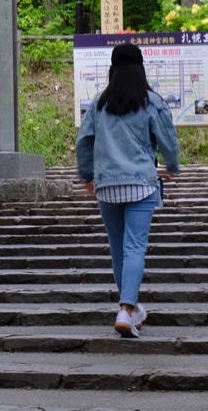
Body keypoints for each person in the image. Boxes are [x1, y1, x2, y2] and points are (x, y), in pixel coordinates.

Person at [75, 42, 180, 339]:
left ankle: (130, 310)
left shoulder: (98, 103)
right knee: (135, 246)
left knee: (118, 248)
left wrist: (86, 175)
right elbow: (167, 139)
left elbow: (84, 142)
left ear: (112, 70)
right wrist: (172, 166)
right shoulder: (152, 102)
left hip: (107, 186)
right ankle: (126, 308)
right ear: (140, 69)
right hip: (141, 185)